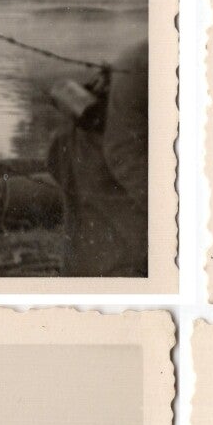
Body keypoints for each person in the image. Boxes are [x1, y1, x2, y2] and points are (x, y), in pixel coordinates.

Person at [47, 39, 149, 277]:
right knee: (111, 249)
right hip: (91, 149)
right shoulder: (141, 64)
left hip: (118, 145)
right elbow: (122, 153)